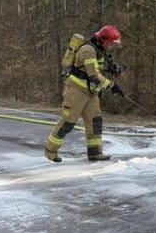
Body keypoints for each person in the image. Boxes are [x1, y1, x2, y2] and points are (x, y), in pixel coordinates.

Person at [45, 25, 124, 162]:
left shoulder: (99, 50)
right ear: (104, 40)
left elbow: (98, 66)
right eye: (111, 44)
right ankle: (50, 151)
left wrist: (112, 68)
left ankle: (95, 153)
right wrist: (112, 85)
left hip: (91, 92)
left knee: (95, 122)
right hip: (76, 91)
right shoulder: (88, 50)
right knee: (67, 123)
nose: (112, 47)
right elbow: (93, 75)